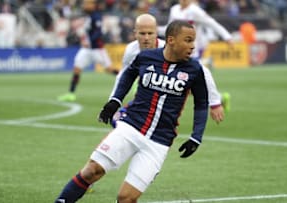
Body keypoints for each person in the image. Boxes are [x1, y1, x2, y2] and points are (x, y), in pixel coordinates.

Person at [54, 20, 209, 203]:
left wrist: (196, 136)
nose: (193, 46)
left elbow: (201, 103)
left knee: (126, 198)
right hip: (130, 128)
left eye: (193, 41)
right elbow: (128, 74)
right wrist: (115, 101)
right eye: (188, 40)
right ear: (171, 40)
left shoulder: (195, 69)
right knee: (91, 170)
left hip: (159, 142)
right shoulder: (146, 57)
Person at [112, 13, 225, 124]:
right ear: (135, 33)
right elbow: (123, 75)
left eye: (150, 33)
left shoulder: (170, 49)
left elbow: (203, 71)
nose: (146, 38)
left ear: (157, 32)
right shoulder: (131, 50)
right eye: (142, 33)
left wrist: (215, 103)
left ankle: (220, 97)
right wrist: (113, 100)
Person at [158, 0, 232, 113]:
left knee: (185, 81)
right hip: (177, 50)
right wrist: (155, 29)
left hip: (193, 50)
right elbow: (169, 29)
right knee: (188, 83)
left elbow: (211, 22)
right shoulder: (174, 10)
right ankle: (220, 98)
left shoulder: (195, 10)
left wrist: (226, 36)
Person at [57, 0, 117, 102]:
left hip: (97, 49)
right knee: (77, 69)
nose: (84, 5)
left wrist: (88, 41)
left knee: (109, 69)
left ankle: (130, 81)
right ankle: (71, 94)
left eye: (87, 4)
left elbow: (98, 33)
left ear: (93, 5)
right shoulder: (88, 16)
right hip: (87, 49)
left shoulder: (96, 17)